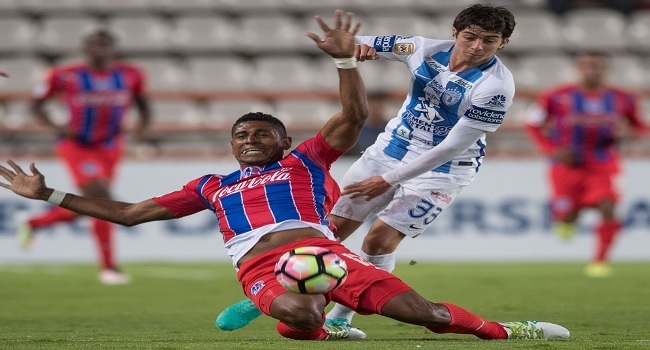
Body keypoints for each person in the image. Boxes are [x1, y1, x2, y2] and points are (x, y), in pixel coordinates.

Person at [0, 10, 569, 341]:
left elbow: (375, 122)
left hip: (441, 164)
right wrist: (45, 192)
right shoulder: (210, 186)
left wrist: (347, 70)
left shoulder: (305, 161)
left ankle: (499, 331)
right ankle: (315, 315)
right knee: (308, 295)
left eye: (260, 133)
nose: (249, 140)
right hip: (281, 245)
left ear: (285, 141)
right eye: (240, 135)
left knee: (391, 267)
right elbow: (128, 214)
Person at [218, 3, 519, 334]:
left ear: (502, 43)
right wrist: (351, 47)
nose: (477, 47)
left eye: (489, 41)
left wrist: (388, 180)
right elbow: (367, 43)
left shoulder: (496, 87)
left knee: (378, 242)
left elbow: (452, 146)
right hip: (388, 152)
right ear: (455, 33)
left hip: (443, 168)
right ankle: (279, 288)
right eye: (470, 37)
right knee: (326, 232)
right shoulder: (422, 49)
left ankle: (339, 319)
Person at [17, 29, 152, 285]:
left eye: (105, 45)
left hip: (111, 146)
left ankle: (36, 223)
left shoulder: (130, 74)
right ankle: (109, 267)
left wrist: (142, 127)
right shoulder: (65, 75)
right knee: (103, 199)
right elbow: (36, 103)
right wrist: (57, 127)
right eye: (95, 45)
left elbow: (143, 103)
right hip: (77, 145)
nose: (100, 49)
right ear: (86, 49)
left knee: (96, 203)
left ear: (113, 49)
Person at [525, 51, 647, 278]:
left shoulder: (623, 98)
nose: (591, 70)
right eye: (586, 66)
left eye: (596, 66)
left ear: (605, 69)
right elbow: (532, 125)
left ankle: (599, 262)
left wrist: (632, 132)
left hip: (604, 161)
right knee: (568, 214)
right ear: (578, 69)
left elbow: (640, 126)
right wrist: (553, 149)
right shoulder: (555, 96)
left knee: (608, 206)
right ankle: (566, 220)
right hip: (566, 164)